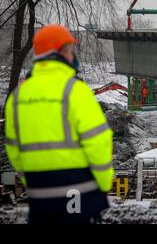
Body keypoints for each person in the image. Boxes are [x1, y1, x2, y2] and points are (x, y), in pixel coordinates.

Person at [4, 25, 114, 224]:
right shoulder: (75, 91)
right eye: (71, 50)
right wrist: (104, 183)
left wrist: (32, 180)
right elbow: (99, 142)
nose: (73, 56)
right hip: (78, 191)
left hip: (39, 193)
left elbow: (14, 149)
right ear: (61, 52)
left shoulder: (17, 97)